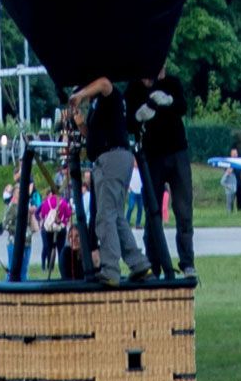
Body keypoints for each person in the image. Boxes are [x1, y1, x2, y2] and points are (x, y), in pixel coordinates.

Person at [134, 76, 195, 283]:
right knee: (153, 212)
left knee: (184, 209)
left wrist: (168, 101)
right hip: (153, 156)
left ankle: (187, 262)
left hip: (177, 150)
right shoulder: (135, 87)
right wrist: (147, 107)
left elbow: (182, 107)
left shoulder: (172, 83)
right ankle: (154, 262)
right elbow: (131, 121)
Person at [78, 75, 136, 287]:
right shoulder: (99, 108)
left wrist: (79, 95)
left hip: (111, 158)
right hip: (111, 158)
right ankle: (139, 264)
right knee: (117, 216)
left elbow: (103, 83)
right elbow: (91, 136)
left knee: (104, 217)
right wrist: (80, 122)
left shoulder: (109, 94)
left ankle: (111, 270)